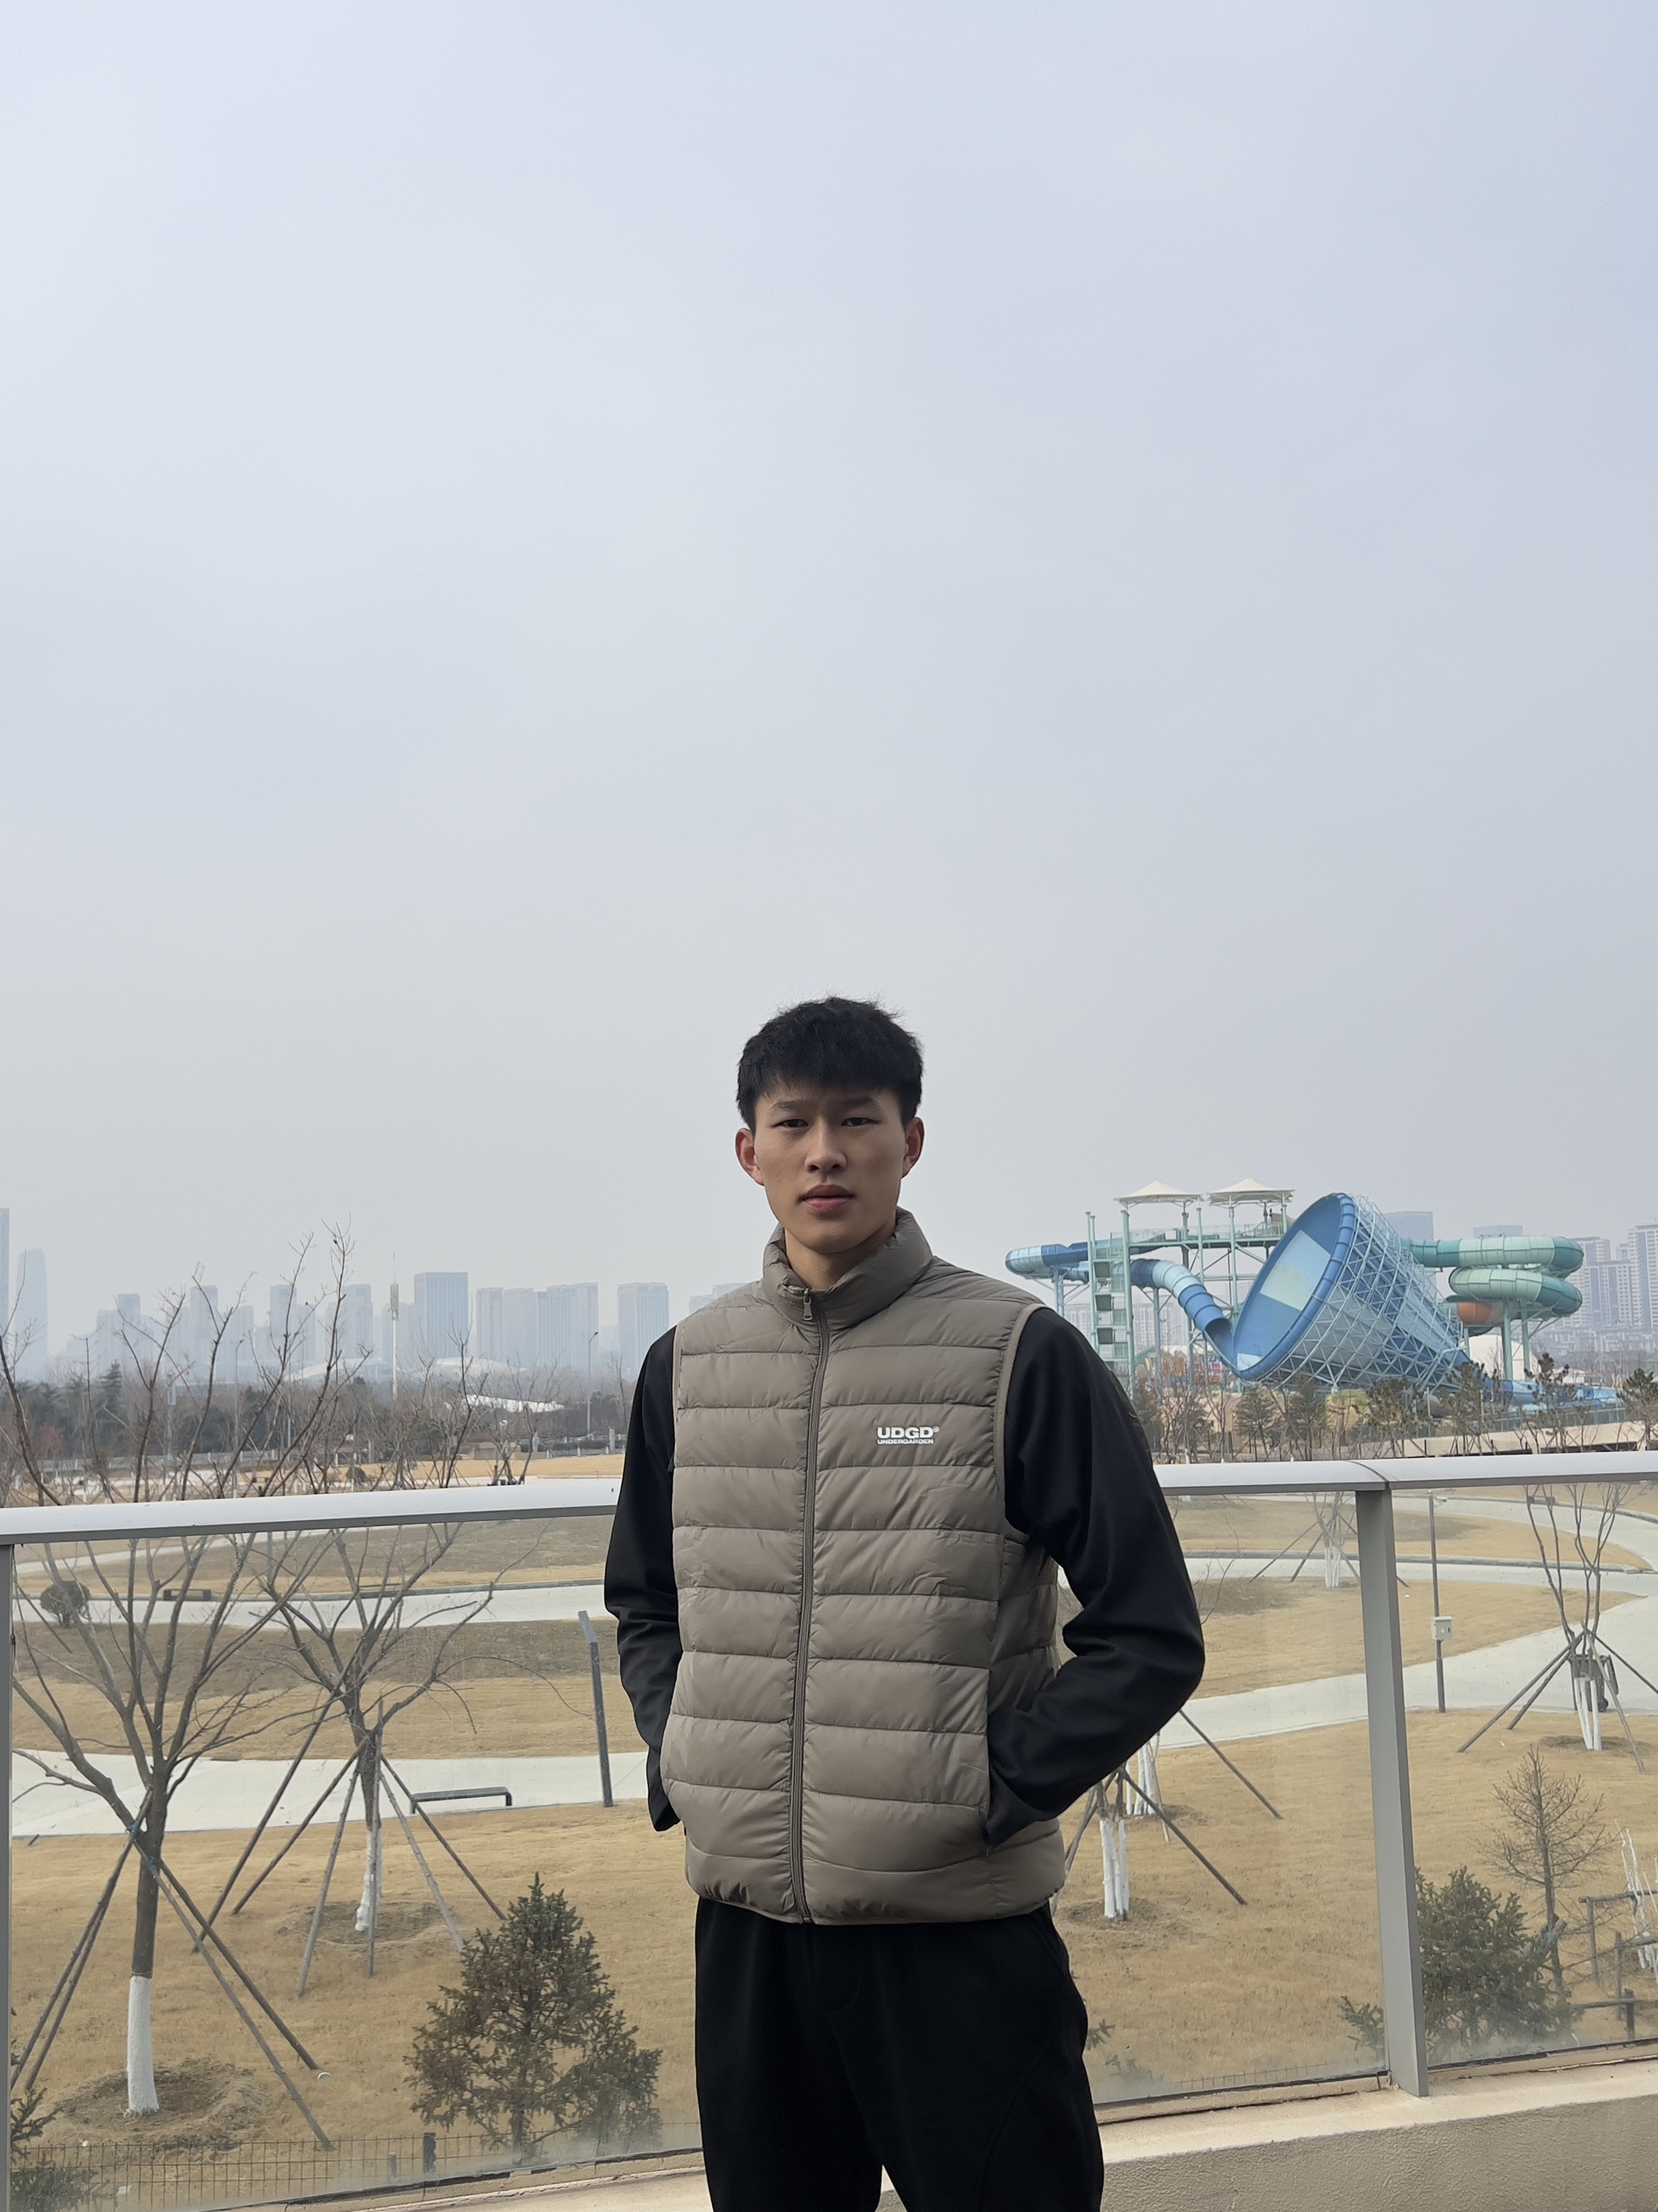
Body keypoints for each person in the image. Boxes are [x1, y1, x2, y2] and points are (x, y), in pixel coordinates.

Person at [604, 997, 1204, 2212]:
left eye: (857, 1121)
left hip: (957, 1934)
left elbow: (1147, 1634)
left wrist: (983, 1787)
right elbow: (646, 1603)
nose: (824, 1152)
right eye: (793, 1124)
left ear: (910, 1142)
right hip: (752, 1939)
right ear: (750, 1153)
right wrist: (688, 1759)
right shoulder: (688, 1367)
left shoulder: (1018, 1354)